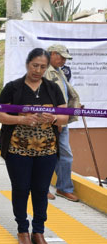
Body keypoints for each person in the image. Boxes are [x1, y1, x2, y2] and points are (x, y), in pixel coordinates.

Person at [0, 48, 68, 244]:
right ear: (27, 64)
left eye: (43, 66)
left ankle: (39, 231)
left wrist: (53, 118)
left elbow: (64, 116)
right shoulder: (13, 88)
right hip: (18, 150)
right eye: (35, 65)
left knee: (41, 190)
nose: (38, 70)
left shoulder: (52, 88)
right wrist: (21, 119)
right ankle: (22, 230)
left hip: (47, 150)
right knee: (20, 189)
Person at [45, 44, 80, 202]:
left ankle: (64, 188)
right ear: (52, 54)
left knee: (65, 155)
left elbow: (64, 95)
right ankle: (42, 188)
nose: (64, 60)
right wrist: (56, 120)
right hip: (50, 121)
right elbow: (45, 99)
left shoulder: (59, 71)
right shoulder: (44, 71)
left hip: (62, 120)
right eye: (62, 56)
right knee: (45, 155)